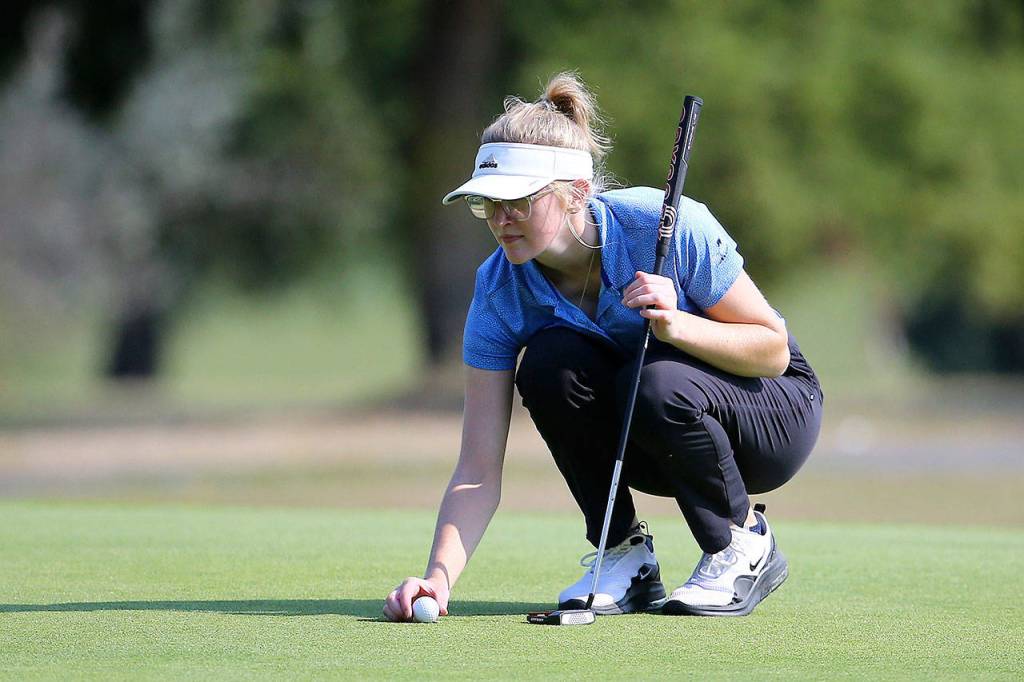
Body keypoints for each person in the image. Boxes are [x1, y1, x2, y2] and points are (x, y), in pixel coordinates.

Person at [383, 72, 823, 621]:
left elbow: (772, 350)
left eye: (517, 200)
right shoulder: (500, 288)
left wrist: (680, 325)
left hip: (771, 413)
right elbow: (477, 465)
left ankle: (741, 545)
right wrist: (438, 579)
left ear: (577, 192)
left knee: (655, 378)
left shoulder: (664, 224)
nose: (500, 220)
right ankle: (624, 557)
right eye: (487, 204)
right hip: (651, 432)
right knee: (549, 365)